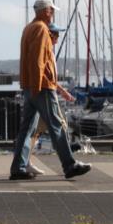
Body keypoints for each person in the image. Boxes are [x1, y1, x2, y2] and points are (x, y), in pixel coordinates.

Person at [10, 0, 91, 180]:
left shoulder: (28, 28)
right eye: (51, 10)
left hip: (29, 86)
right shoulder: (41, 29)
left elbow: (27, 59)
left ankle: (18, 168)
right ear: (45, 11)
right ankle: (69, 165)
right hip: (42, 87)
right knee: (56, 125)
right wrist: (39, 85)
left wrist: (31, 86)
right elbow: (38, 60)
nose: (52, 13)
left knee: (27, 129)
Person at [25, 22, 74, 176]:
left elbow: (50, 78)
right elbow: (43, 75)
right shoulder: (45, 50)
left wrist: (61, 91)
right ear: (49, 35)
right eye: (55, 35)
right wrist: (56, 91)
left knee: (41, 129)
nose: (57, 39)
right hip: (44, 94)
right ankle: (68, 159)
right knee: (39, 130)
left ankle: (67, 150)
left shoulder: (50, 51)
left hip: (48, 92)